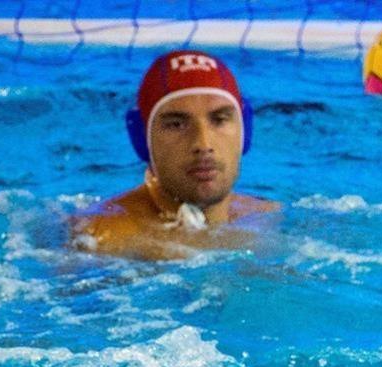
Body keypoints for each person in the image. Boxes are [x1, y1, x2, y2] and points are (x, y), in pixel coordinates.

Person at [72, 49, 277, 260]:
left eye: (219, 119)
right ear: (142, 138)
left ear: (245, 130)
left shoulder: (269, 218)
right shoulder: (101, 239)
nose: (203, 144)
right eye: (177, 124)